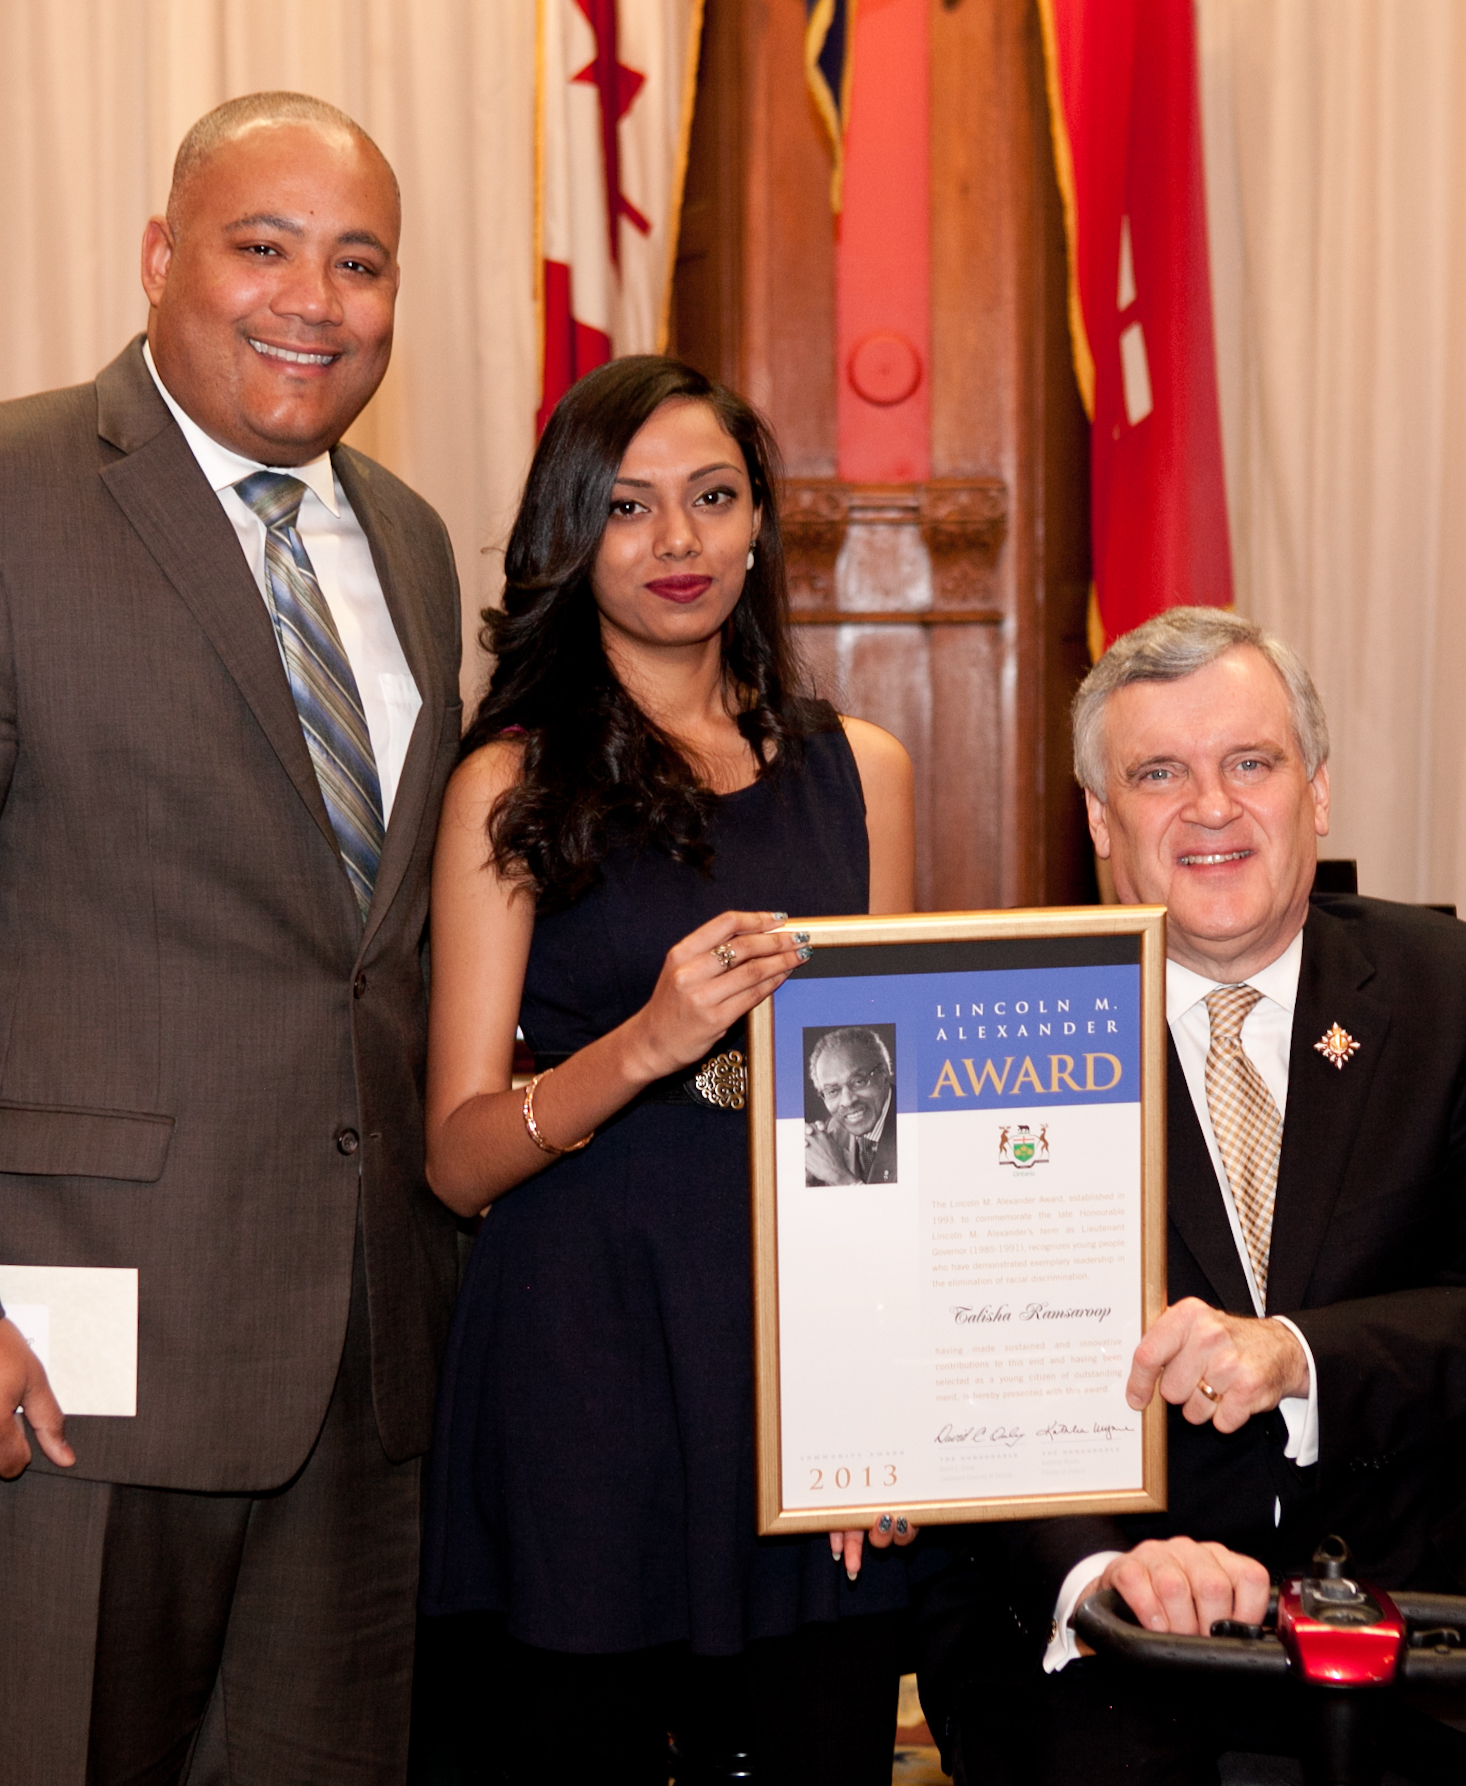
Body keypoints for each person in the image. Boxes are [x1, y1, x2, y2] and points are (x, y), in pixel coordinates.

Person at [0, 93, 462, 1783]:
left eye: (359, 262)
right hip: (56, 1375)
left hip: (361, 1367)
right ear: (162, 259)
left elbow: (370, 953)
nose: (316, 296)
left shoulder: (419, 547)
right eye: (264, 245)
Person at [922, 608, 1466, 1783]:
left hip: (1423, 1582)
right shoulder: (994, 1023)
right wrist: (1097, 1570)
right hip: (1121, 1618)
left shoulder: (1455, 994)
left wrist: (1297, 1356)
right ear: (1099, 821)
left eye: (1250, 763)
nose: (1210, 807)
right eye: (1158, 773)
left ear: (1315, 794)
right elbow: (950, 1381)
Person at [415, 355, 921, 1784]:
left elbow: (885, 1135)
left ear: (763, 520)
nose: (677, 542)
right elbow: (456, 1156)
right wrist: (641, 1044)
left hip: (800, 1353)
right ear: (567, 540)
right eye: (628, 508)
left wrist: (882, 1402)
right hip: (586, 1355)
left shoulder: (861, 767)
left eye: (712, 498)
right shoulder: (507, 781)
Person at [803, 1026, 898, 1185]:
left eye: (859, 1082)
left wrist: (840, 1177)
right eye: (832, 1091)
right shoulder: (832, 1132)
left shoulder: (917, 1125)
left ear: (884, 1074)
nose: (847, 1101)